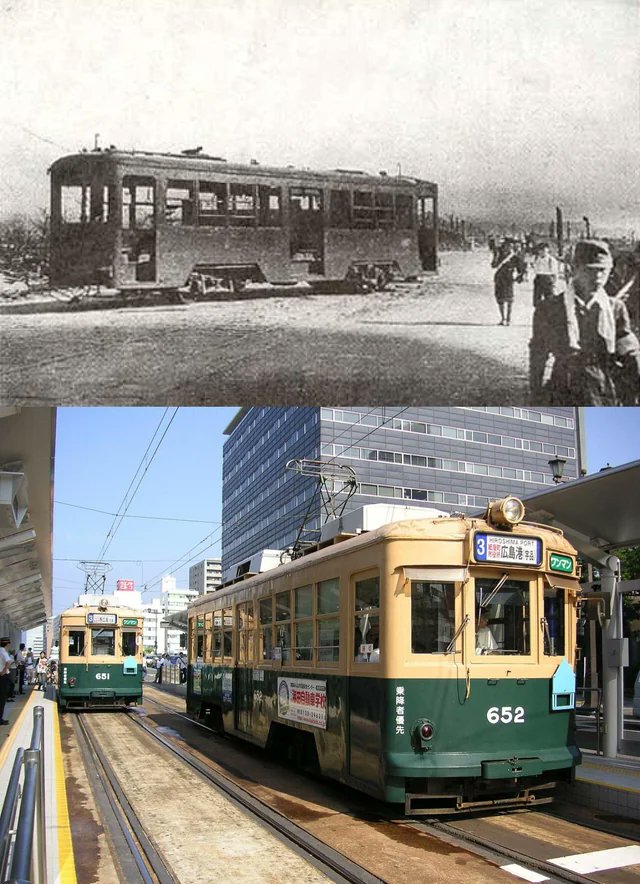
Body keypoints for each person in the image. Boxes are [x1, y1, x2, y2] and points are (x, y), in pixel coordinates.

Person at [548, 240, 618, 404]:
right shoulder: (552, 307)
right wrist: (536, 395)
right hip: (565, 384)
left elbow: (629, 354)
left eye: (603, 270)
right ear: (575, 269)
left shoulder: (615, 308)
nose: (598, 277)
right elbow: (538, 353)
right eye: (590, 270)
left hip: (602, 388)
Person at [491, 240, 524, 326]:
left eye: (510, 246)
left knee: (509, 300)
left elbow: (521, 270)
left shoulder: (515, 257)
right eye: (506, 246)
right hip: (499, 278)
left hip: (509, 279)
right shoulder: (499, 256)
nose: (507, 248)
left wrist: (518, 277)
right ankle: (502, 318)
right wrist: (495, 256)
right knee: (500, 299)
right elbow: (493, 265)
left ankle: (509, 319)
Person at [0, 638, 13, 724]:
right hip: (2, 676)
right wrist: (4, 671)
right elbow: (8, 662)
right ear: (7, 644)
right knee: (2, 698)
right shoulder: (3, 651)